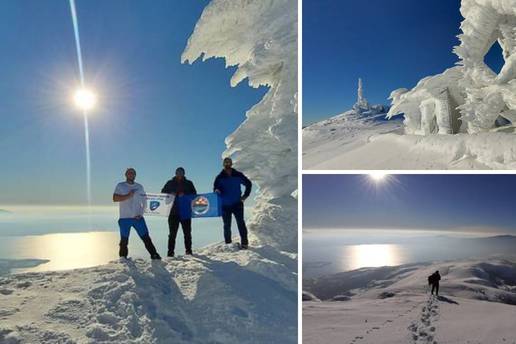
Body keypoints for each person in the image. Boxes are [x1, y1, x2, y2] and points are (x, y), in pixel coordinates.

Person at [113, 168, 161, 260]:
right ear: (126, 175)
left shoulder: (139, 186)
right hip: (124, 218)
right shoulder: (120, 185)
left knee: (146, 238)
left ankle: (154, 255)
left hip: (138, 218)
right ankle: (123, 259)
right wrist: (128, 195)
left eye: (133, 173)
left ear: (135, 175)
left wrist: (141, 214)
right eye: (129, 173)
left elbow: (145, 201)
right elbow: (115, 198)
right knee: (124, 241)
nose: (131, 175)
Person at [213, 157, 252, 249]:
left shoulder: (238, 175)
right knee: (227, 225)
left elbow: (248, 183)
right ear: (223, 164)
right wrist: (217, 190)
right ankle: (228, 245)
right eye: (225, 162)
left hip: (237, 203)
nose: (227, 164)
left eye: (229, 162)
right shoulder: (219, 177)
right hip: (225, 205)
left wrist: (246, 195)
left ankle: (245, 243)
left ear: (231, 163)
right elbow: (215, 188)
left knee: (241, 223)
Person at [161, 167, 197, 257]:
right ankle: (170, 253)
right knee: (172, 234)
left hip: (185, 212)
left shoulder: (189, 183)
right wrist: (170, 193)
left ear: (184, 173)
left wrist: (185, 194)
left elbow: (194, 195)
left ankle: (188, 251)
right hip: (173, 212)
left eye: (181, 172)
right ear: (175, 173)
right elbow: (162, 193)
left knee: (187, 233)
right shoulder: (170, 183)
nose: (179, 173)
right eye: (178, 172)